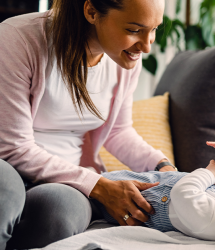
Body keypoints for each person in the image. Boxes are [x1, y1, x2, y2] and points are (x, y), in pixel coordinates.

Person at [0, 0, 175, 249]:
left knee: (60, 211)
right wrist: (100, 186)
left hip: (67, 180)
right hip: (7, 164)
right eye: (134, 30)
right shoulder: (18, 39)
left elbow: (118, 131)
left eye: (154, 29)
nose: (147, 46)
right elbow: (12, 147)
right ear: (91, 11)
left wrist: (163, 166)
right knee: (3, 187)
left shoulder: (124, 60)